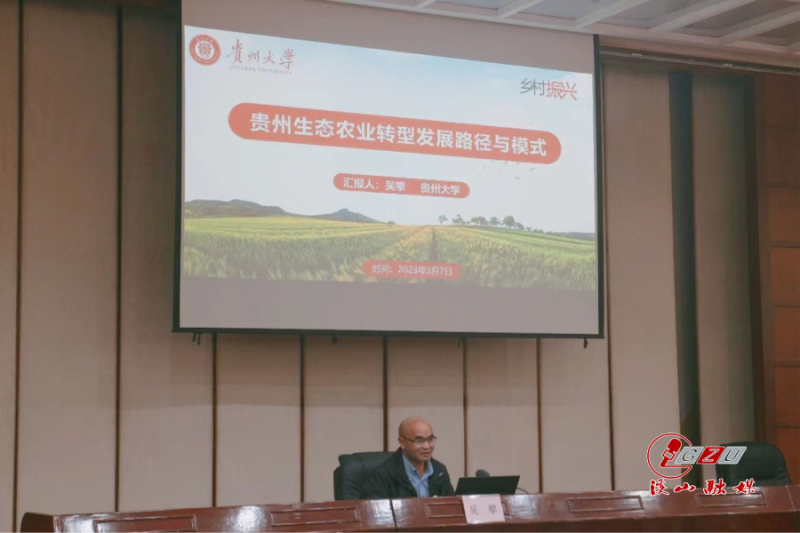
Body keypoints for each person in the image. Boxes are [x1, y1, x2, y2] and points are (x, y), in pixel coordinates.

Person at [360, 417, 455, 499]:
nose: (427, 446)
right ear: (402, 443)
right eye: (419, 441)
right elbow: (373, 512)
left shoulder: (439, 471)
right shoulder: (381, 476)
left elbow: (452, 508)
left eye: (430, 439)